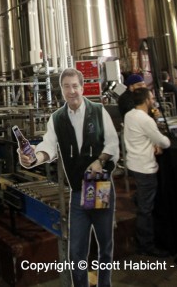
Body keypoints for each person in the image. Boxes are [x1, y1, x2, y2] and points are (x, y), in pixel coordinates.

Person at [19, 68, 119, 287]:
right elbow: (49, 146)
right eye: (67, 86)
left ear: (82, 88)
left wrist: (100, 160)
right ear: (61, 90)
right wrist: (34, 158)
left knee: (105, 246)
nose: (71, 91)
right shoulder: (57, 118)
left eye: (75, 86)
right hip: (77, 190)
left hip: (98, 185)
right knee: (76, 253)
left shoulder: (98, 111)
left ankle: (105, 284)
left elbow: (112, 143)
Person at [123, 87, 170, 257]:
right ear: (146, 100)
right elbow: (163, 141)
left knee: (143, 197)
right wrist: (162, 142)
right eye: (151, 97)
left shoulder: (129, 115)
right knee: (146, 208)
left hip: (134, 163)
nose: (153, 100)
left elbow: (141, 137)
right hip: (145, 166)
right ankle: (146, 245)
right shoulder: (145, 120)